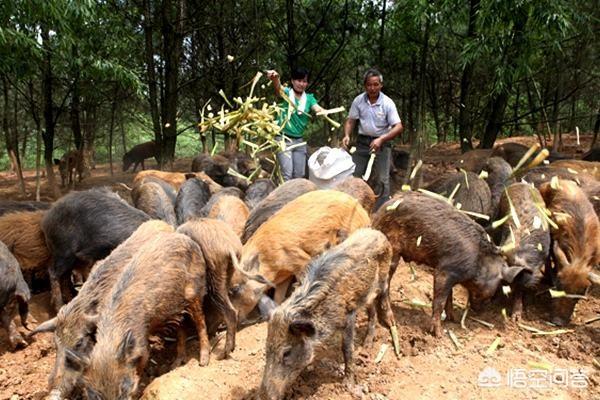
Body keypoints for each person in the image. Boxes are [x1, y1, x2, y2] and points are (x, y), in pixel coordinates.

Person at [342, 68, 403, 209]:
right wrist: (346, 135)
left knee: (383, 179)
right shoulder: (358, 101)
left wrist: (381, 139)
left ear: (381, 85)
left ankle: (380, 210)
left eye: (376, 84)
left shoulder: (387, 103)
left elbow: (398, 126)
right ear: (365, 86)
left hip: (382, 144)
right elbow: (351, 120)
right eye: (369, 85)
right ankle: (352, 206)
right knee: (354, 175)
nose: (372, 88)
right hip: (362, 142)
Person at [267, 68, 324, 181]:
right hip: (283, 139)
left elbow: (317, 108)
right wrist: (275, 78)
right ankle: (284, 197)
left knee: (299, 175)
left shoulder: (309, 98)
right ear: (292, 81)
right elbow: (278, 89)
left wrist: (323, 112)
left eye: (304, 81)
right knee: (286, 174)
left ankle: (297, 198)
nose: (301, 84)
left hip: (299, 141)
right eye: (298, 80)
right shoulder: (287, 93)